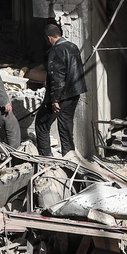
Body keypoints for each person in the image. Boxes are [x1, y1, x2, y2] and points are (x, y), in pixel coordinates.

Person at [35, 22, 87, 157]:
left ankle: (46, 158)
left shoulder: (56, 50)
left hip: (62, 95)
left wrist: (55, 99)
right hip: (74, 93)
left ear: (48, 38)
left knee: (42, 123)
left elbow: (56, 77)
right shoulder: (73, 46)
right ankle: (69, 156)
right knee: (66, 126)